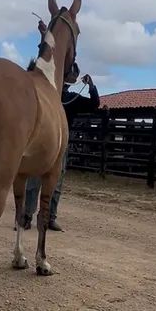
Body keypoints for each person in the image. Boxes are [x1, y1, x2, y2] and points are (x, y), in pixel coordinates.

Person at [23, 62, 100, 230]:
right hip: (42, 141)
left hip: (60, 144)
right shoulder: (46, 96)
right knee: (35, 180)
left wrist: (91, 86)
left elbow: (94, 104)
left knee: (55, 181)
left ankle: (48, 218)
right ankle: (27, 216)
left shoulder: (70, 99)